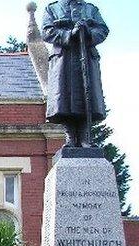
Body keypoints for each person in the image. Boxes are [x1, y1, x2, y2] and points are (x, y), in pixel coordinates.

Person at [42, 0, 109, 148]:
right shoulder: (52, 8)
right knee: (64, 98)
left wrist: (88, 32)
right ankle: (70, 137)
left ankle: (85, 137)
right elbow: (46, 31)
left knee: (88, 97)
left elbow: (103, 30)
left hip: (86, 57)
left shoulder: (90, 9)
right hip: (64, 59)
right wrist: (69, 34)